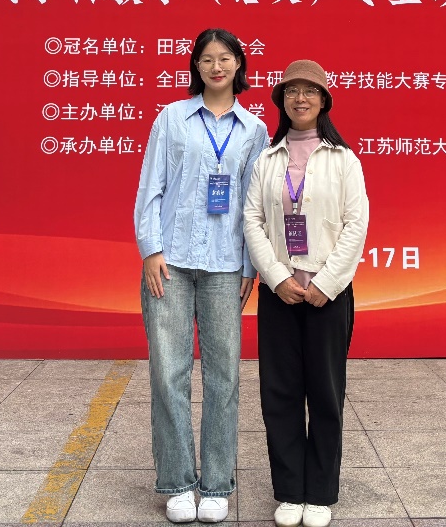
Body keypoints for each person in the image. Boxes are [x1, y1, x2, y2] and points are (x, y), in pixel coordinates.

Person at [135, 28, 269, 524]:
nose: (217, 67)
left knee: (224, 376)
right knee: (168, 373)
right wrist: (151, 249)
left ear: (239, 65)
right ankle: (177, 482)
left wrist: (251, 266)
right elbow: (151, 186)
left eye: (225, 58)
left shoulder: (254, 129)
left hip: (225, 266)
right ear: (196, 65)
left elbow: (254, 204)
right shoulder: (172, 117)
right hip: (169, 264)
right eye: (208, 59)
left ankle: (215, 484)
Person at [243, 60, 369, 527]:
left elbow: (356, 225)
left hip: (327, 296)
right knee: (279, 393)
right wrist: (277, 278)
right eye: (292, 91)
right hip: (280, 294)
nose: (301, 98)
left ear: (324, 101)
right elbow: (252, 220)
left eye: (310, 91)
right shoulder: (267, 159)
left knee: (326, 392)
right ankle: (290, 491)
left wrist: (326, 283)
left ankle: (319, 493)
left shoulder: (343, 159)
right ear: (281, 101)